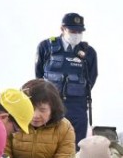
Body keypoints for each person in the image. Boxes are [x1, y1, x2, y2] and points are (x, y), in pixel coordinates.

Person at [5, 79, 75, 158]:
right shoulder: (10, 122)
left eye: (42, 110)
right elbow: (4, 155)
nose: (35, 115)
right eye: (31, 108)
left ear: (53, 109)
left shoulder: (65, 128)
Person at [35, 12, 98, 145]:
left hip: (77, 107)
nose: (77, 34)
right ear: (62, 29)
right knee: (47, 145)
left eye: (80, 31)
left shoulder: (89, 53)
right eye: (73, 30)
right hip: (51, 104)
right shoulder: (45, 47)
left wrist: (75, 90)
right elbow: (39, 75)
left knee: (76, 147)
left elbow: (92, 77)